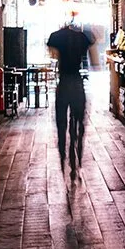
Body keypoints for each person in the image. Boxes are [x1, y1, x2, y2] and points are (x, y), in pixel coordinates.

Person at [47, 19, 93, 180]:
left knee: (61, 122)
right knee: (79, 122)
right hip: (77, 82)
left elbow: (52, 55)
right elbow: (92, 61)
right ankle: (77, 157)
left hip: (64, 82)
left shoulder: (56, 37)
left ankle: (62, 155)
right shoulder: (82, 37)